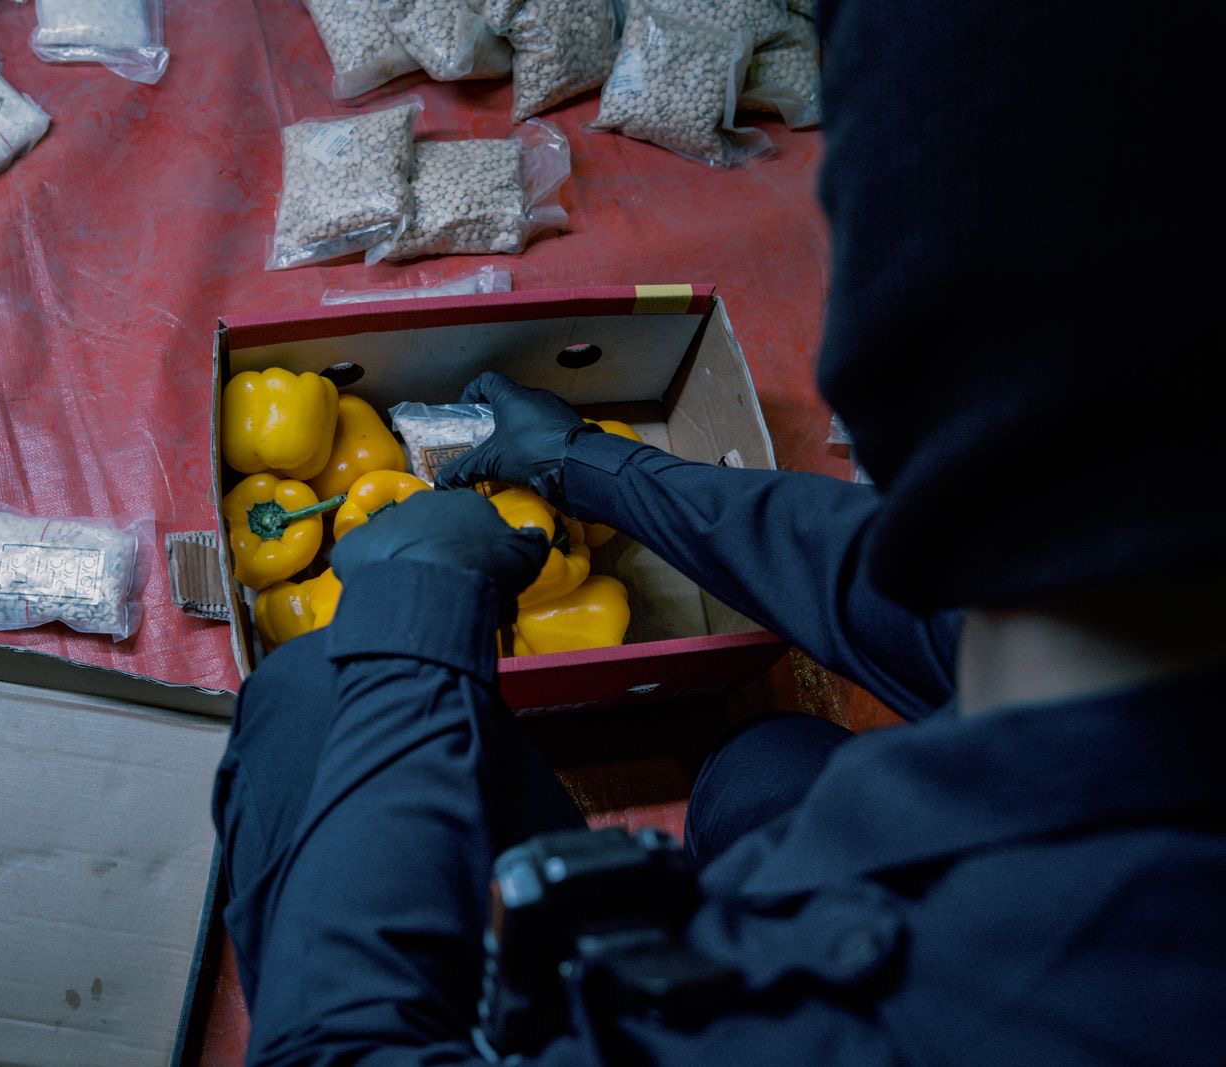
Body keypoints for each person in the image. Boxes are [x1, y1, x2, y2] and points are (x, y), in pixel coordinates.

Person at [212, 0, 1224, 1060]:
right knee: (767, 766)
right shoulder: (1124, 594)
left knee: (317, 694)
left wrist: (409, 625)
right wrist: (586, 461)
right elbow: (888, 587)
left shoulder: (913, 1019)